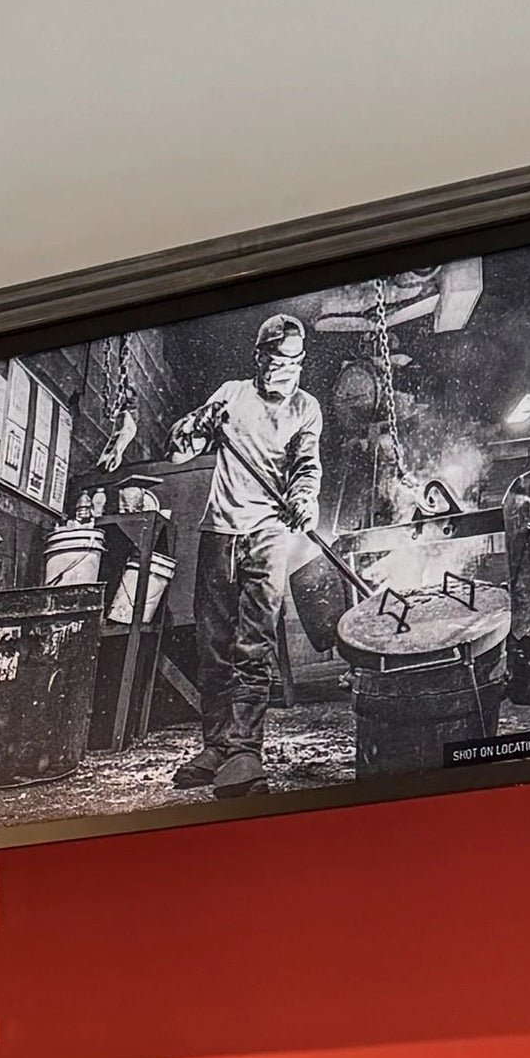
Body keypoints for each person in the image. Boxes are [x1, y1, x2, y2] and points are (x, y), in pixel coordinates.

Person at [162, 315, 327, 797]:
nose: (286, 372)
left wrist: (304, 499)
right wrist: (198, 421)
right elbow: (177, 449)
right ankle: (216, 745)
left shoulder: (305, 408)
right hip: (218, 533)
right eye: (278, 362)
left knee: (253, 646)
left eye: (295, 364)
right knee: (212, 646)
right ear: (260, 358)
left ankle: (245, 751)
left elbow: (307, 466)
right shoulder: (231, 395)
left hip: (268, 535)